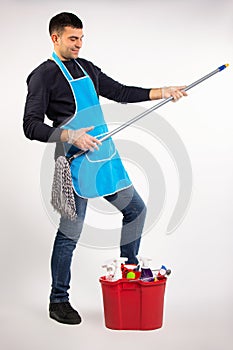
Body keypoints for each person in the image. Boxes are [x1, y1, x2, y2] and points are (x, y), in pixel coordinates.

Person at [23, 12, 187, 325]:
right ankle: (58, 300)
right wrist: (70, 135)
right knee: (70, 234)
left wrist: (163, 91)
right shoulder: (43, 76)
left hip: (104, 155)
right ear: (54, 38)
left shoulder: (87, 68)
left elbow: (122, 92)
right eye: (73, 38)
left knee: (136, 210)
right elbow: (30, 126)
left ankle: (129, 269)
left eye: (82, 38)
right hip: (74, 162)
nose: (79, 44)